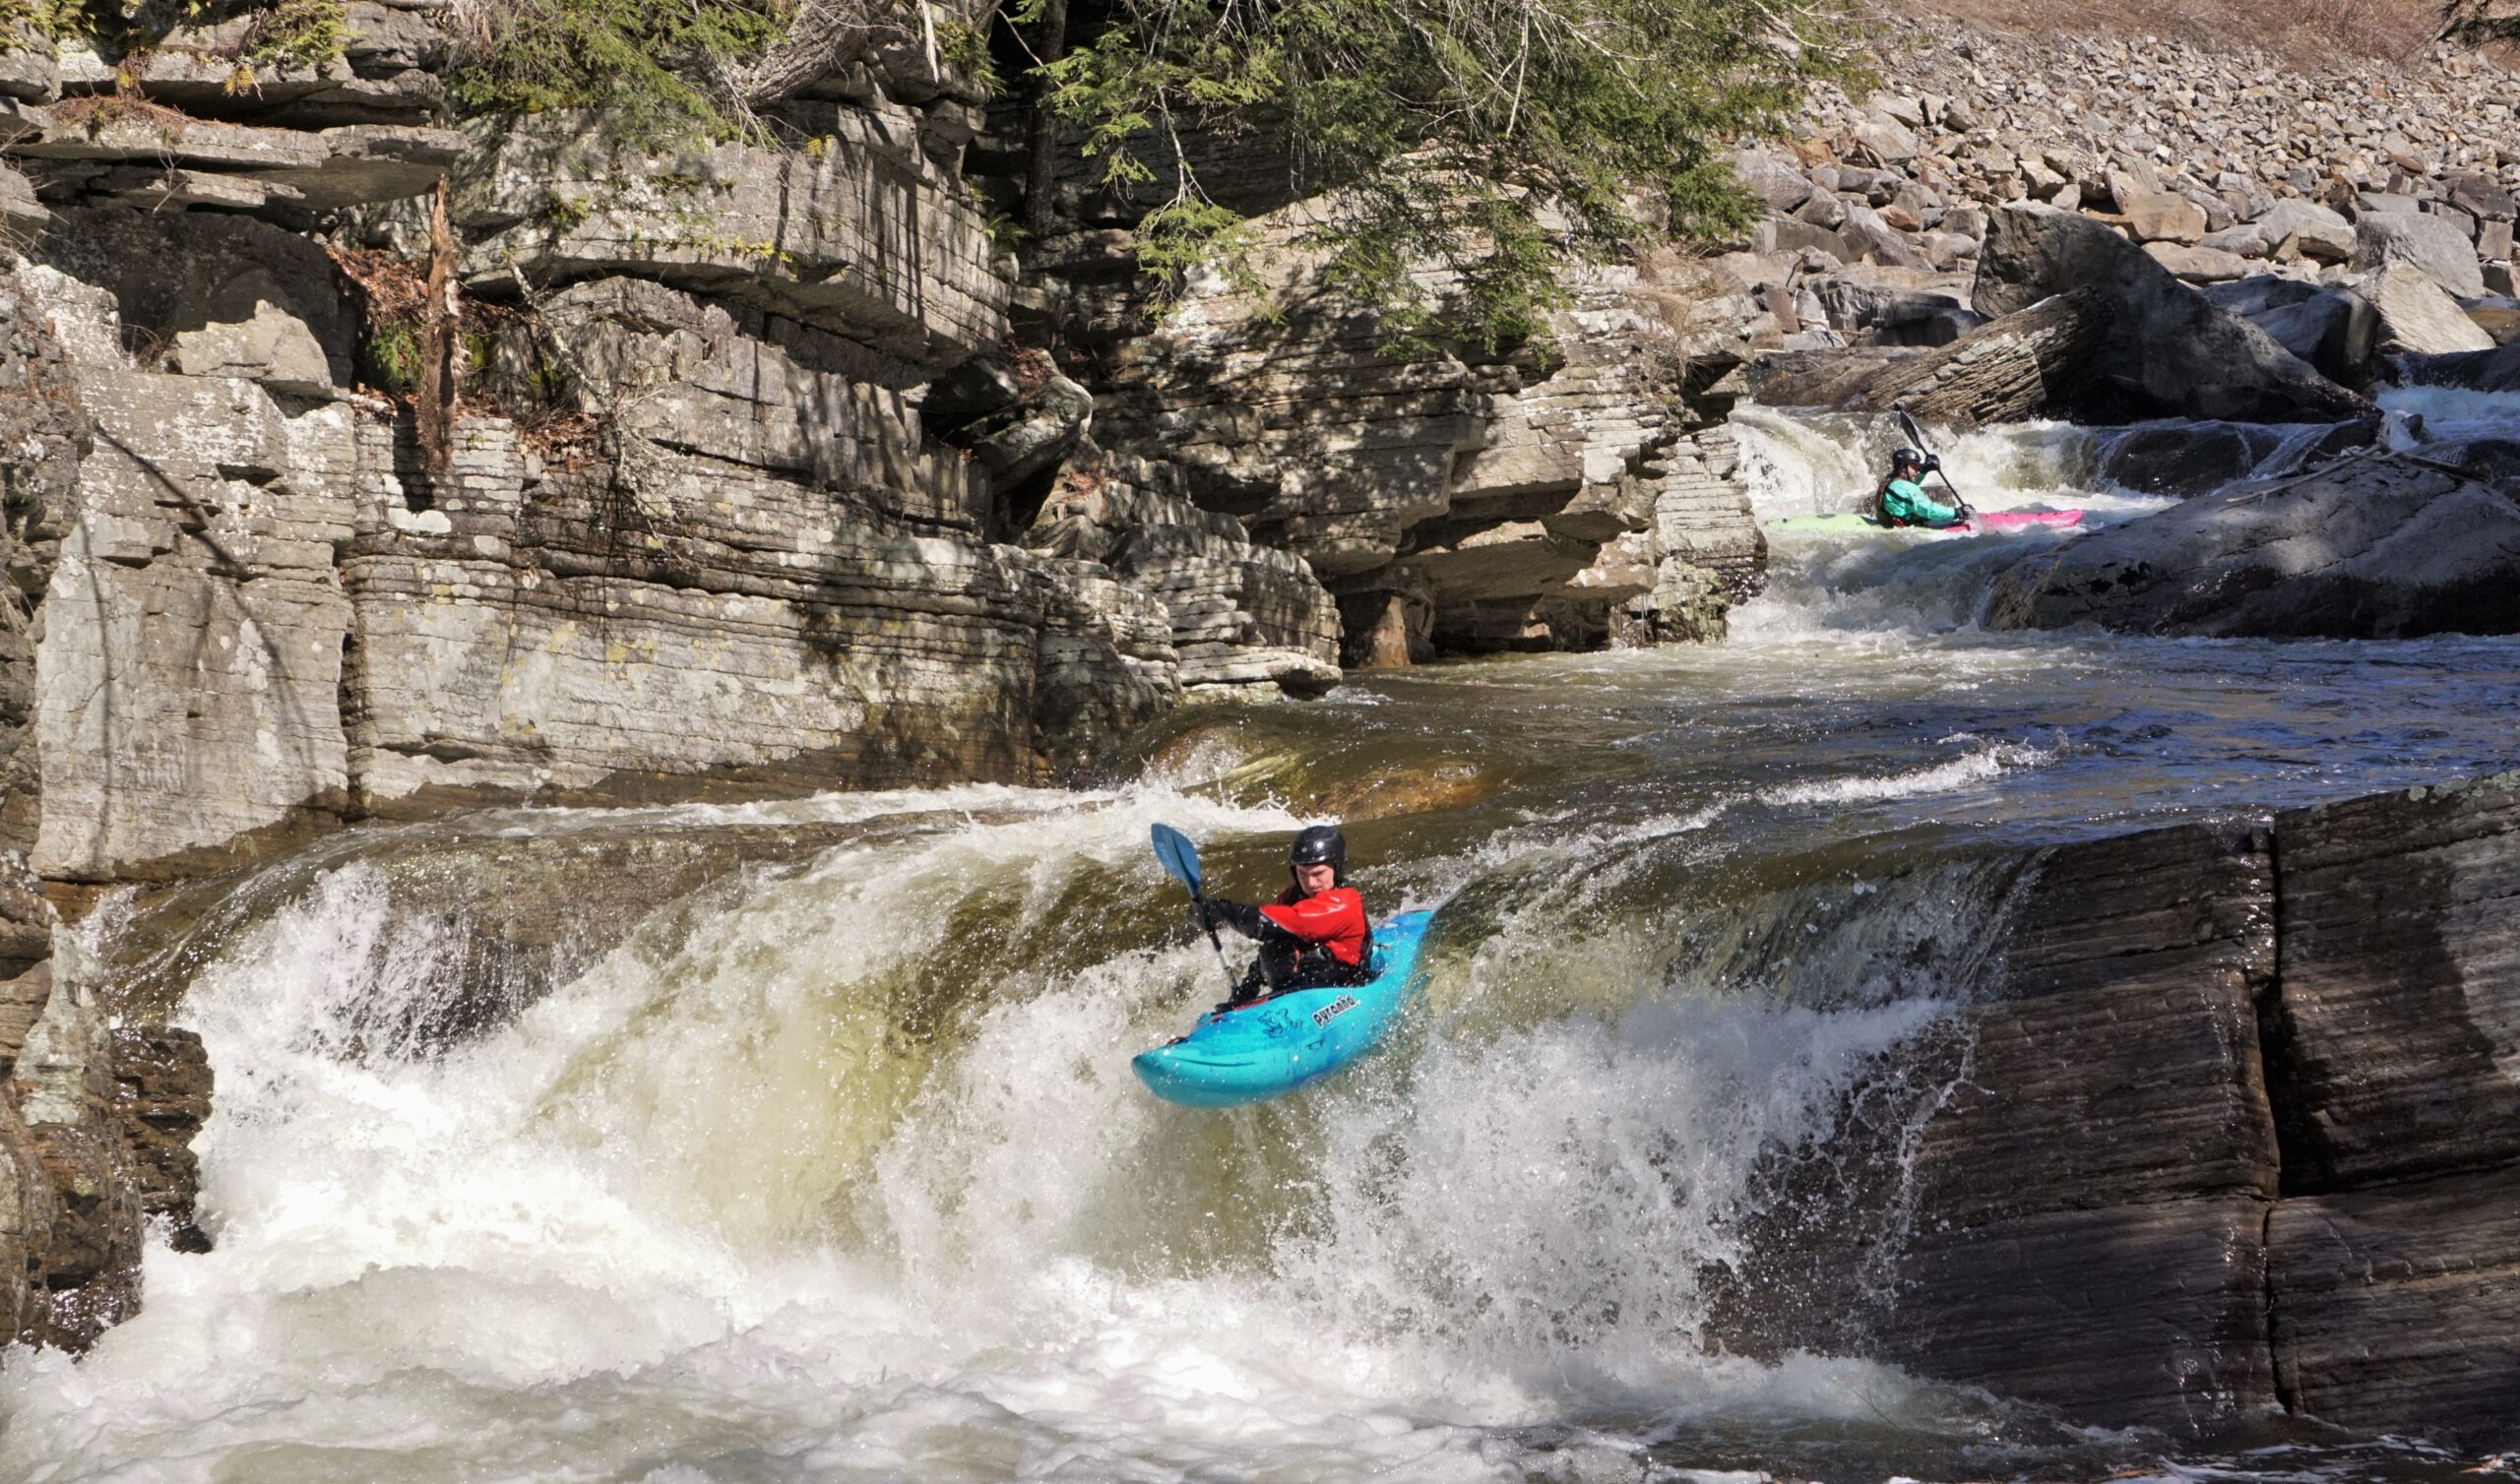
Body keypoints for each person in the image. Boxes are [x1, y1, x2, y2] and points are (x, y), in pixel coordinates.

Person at [1193, 825, 1373, 1009]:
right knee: (1277, 947)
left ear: (1337, 868)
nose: (1310, 882)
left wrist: (1221, 910)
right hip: (1295, 996)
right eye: (1302, 873)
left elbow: (1264, 924)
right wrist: (1244, 995)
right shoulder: (1290, 898)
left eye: (1318, 873)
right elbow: (1269, 949)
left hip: (1338, 992)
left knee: (1305, 952)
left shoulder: (1344, 903)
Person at [1874, 446, 1971, 528]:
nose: (1917, 471)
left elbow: (1906, 486)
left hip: (1889, 522)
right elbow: (1927, 509)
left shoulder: (1890, 479)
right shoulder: (1906, 489)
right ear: (1903, 467)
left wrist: (1925, 469)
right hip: (1907, 528)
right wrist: (1956, 512)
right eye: (1914, 467)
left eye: (1918, 467)